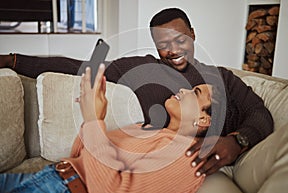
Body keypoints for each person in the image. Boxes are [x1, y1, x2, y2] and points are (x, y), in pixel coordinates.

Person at [0, 8, 273, 176]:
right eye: (164, 44)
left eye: (181, 39)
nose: (174, 49)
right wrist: (14, 60)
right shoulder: (141, 68)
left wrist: (238, 141)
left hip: (196, 170)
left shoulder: (221, 77)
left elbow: (259, 113)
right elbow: (84, 67)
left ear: (193, 33)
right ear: (155, 46)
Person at [1, 65, 214, 193]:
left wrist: (94, 119)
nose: (183, 90)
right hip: (50, 176)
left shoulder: (186, 157)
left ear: (203, 119)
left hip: (63, 192)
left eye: (195, 92)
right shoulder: (146, 127)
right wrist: (90, 114)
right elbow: (79, 153)